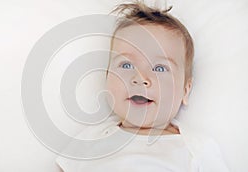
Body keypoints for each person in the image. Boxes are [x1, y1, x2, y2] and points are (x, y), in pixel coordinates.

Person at [56, 1, 229, 171]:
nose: (140, 78)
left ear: (185, 90)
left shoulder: (196, 148)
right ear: (107, 77)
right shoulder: (91, 139)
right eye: (126, 65)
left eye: (160, 68)